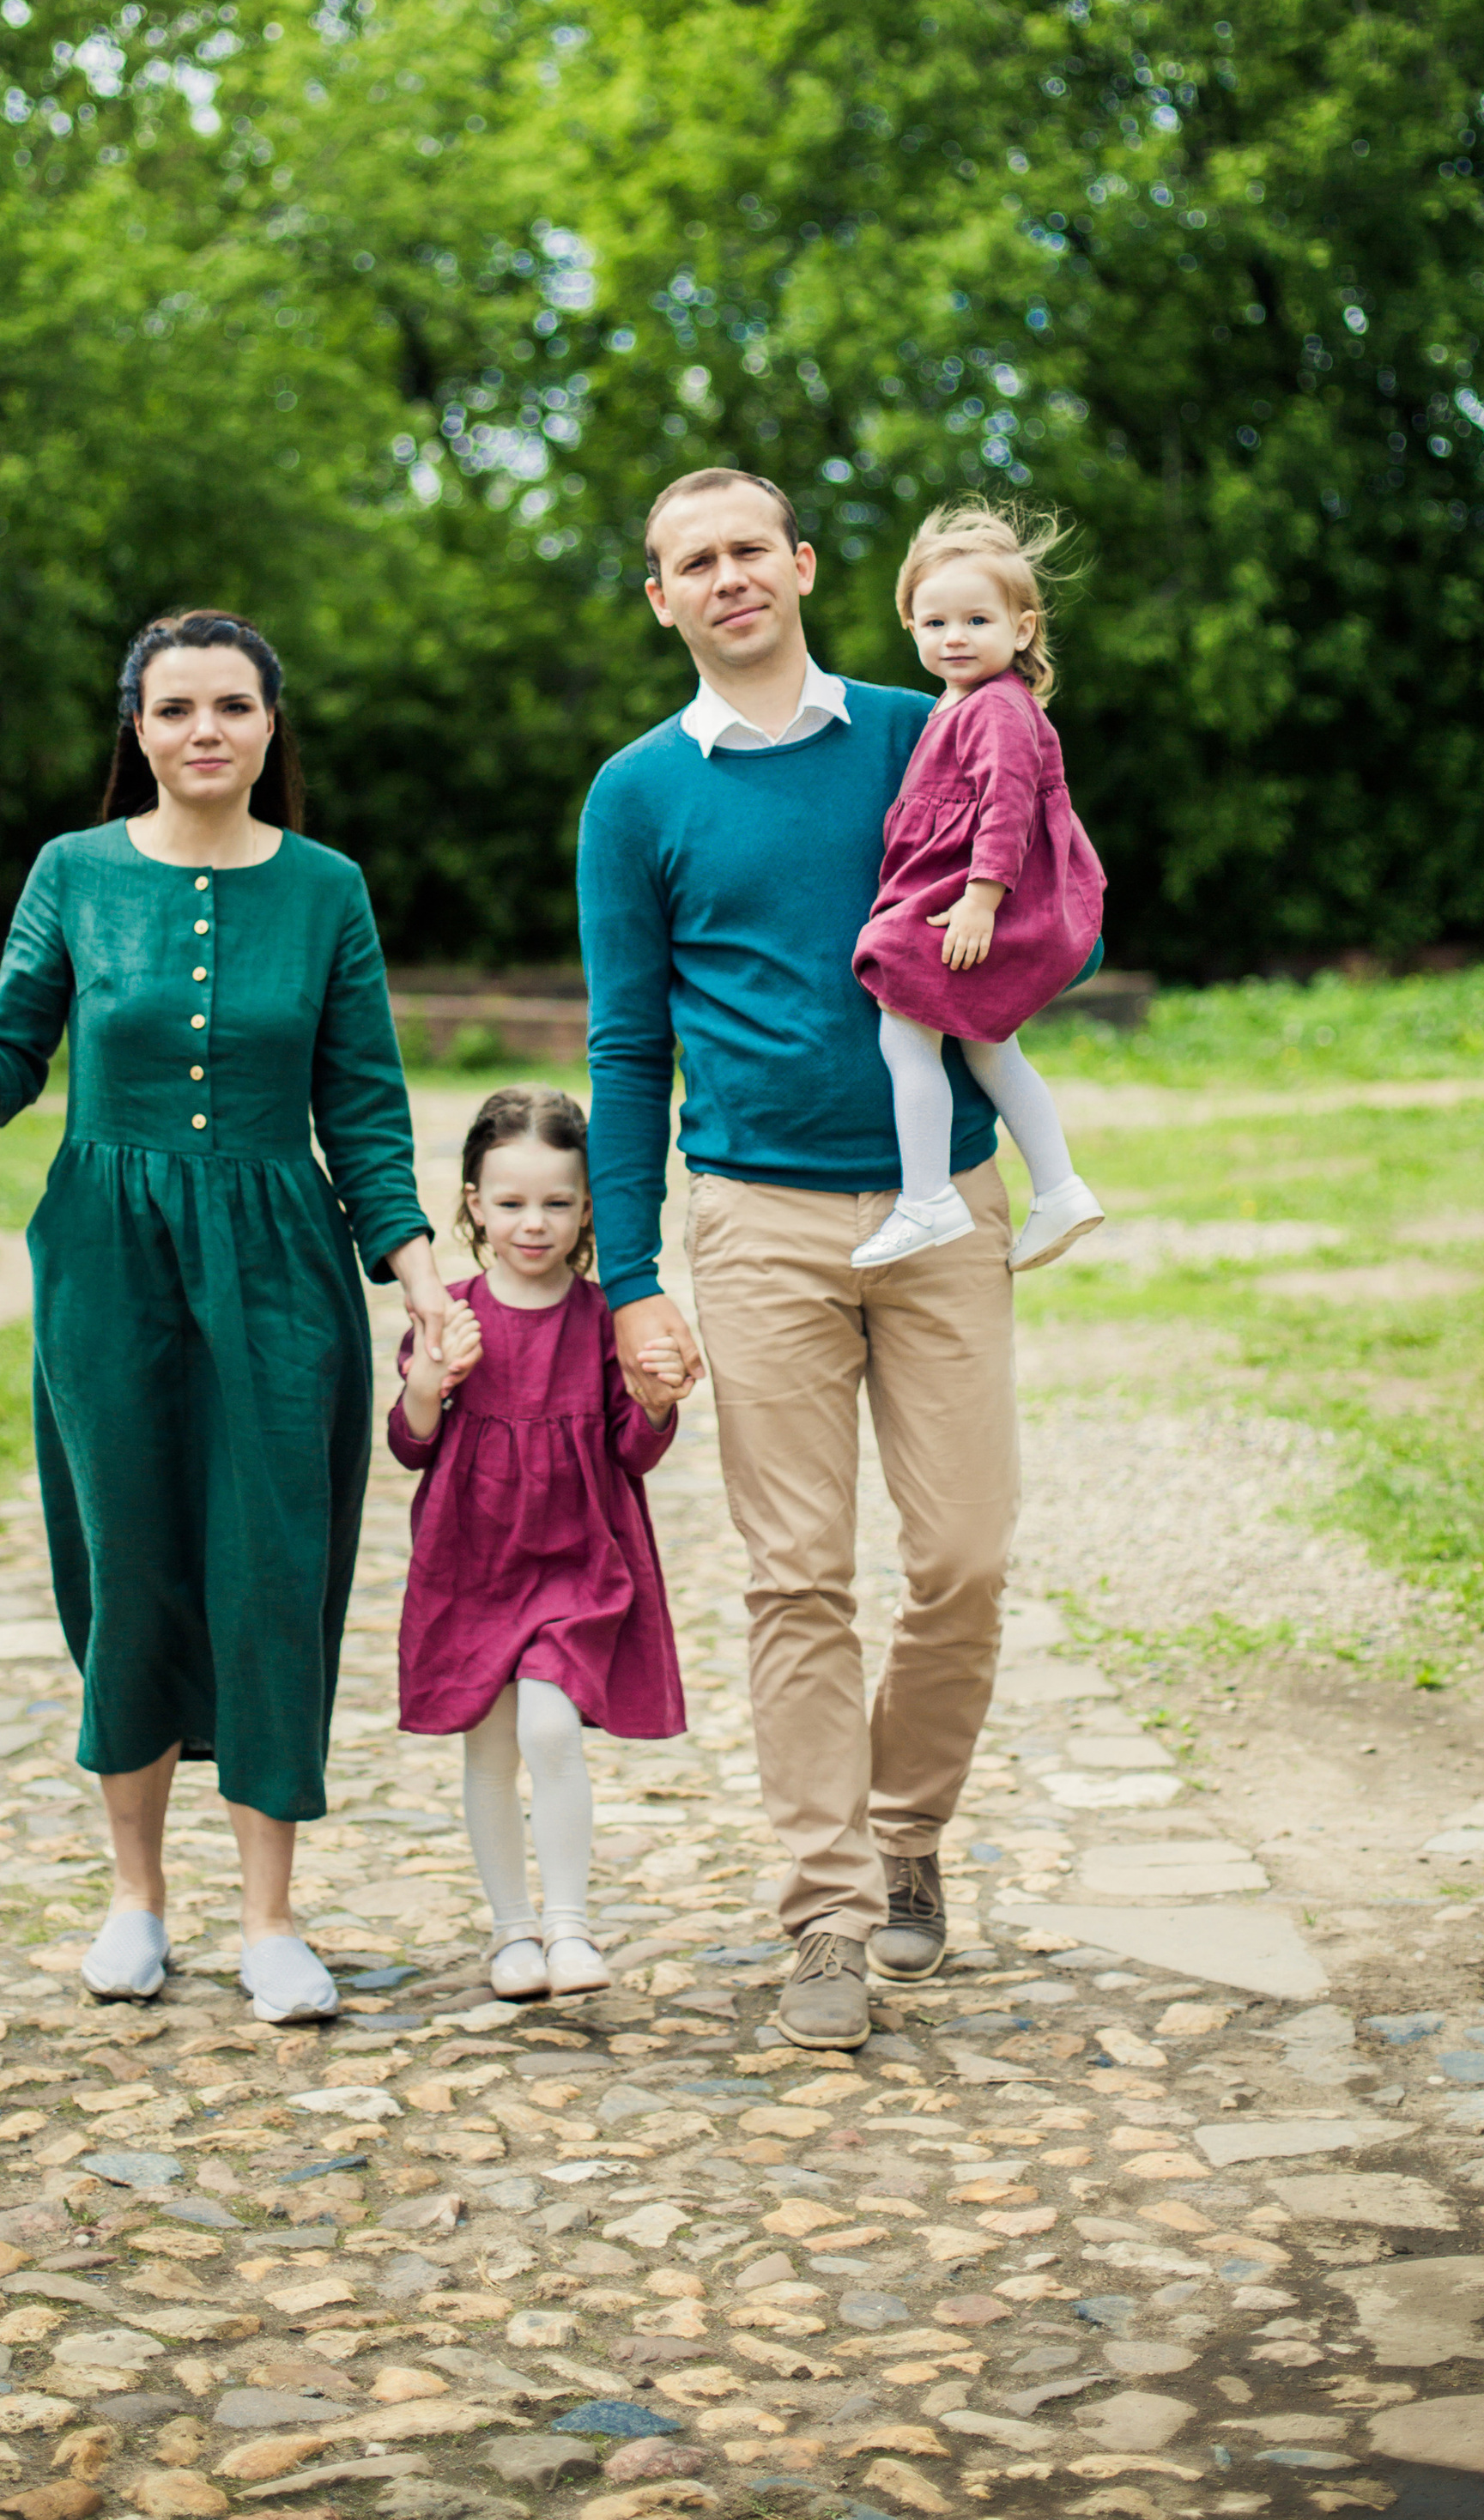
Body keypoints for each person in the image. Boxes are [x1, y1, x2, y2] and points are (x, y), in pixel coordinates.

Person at [0, 606, 454, 2027]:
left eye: (231, 706)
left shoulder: (328, 889)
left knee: (274, 1568)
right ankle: (136, 1902)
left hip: (280, 1265)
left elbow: (364, 1106)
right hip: (110, 1262)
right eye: (174, 708)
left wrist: (416, 1273)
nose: (204, 729)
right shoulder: (73, 871)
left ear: (270, 728)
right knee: (131, 1560)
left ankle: (272, 1922)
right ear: (138, 731)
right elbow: (10, 1066)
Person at [578, 469, 1022, 2051]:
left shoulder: (924, 728)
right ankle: (829, 1911)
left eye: (749, 549)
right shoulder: (636, 795)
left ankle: (909, 1830)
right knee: (796, 1577)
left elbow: (1055, 897)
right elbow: (627, 1047)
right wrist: (629, 1276)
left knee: (963, 1559)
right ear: (663, 600)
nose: (728, 577)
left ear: (805, 565)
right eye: (694, 561)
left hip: (943, 1200)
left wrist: (1016, 933)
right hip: (757, 1220)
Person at [389, 1086, 686, 2000]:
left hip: (576, 1559)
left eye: (557, 1202)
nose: (533, 1223)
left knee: (550, 1728)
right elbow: (411, 1445)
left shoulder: (602, 1319)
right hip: (472, 1561)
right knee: (488, 1748)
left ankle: (568, 1926)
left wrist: (657, 1401)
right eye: (511, 1202)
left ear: (589, 1207)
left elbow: (632, 1451)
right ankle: (511, 1931)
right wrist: (431, 1381)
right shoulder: (451, 1313)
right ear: (474, 1203)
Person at [851, 500, 1107, 1272]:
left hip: (979, 901)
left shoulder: (997, 706)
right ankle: (1059, 1187)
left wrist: (981, 899)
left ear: (1021, 630)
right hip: (964, 893)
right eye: (935, 623)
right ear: (911, 627)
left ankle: (928, 1198)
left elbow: (1008, 805)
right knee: (990, 1047)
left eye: (976, 621)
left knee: (903, 1031)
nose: (954, 637)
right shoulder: (956, 703)